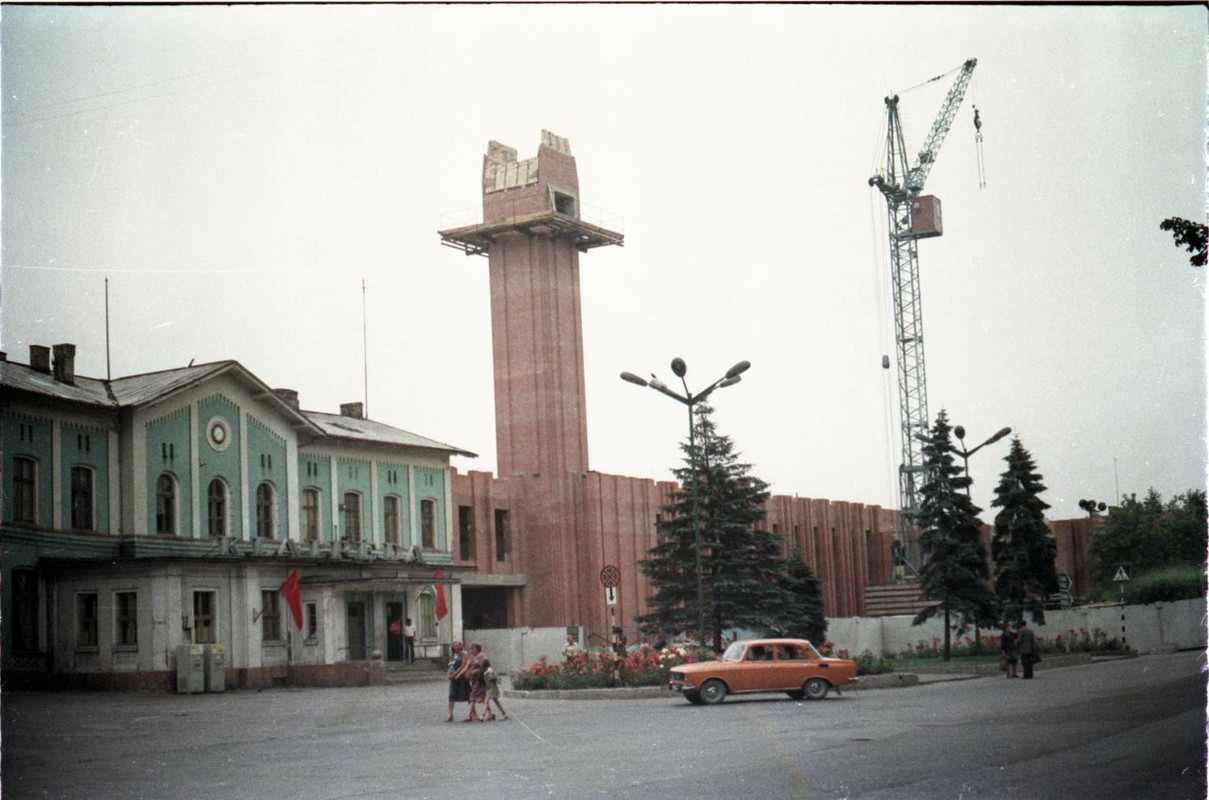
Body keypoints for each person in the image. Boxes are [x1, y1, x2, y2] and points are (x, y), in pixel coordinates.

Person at [445, 640, 470, 722]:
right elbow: (450, 665)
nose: (457, 647)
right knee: (451, 695)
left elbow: (463, 666)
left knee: (468, 695)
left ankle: (473, 712)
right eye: (455, 645)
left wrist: (455, 674)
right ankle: (450, 714)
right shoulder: (452, 655)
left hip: (461, 677)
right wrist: (448, 674)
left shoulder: (464, 654)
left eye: (458, 645)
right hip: (453, 678)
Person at [463, 642, 487, 722]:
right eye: (471, 648)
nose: (472, 650)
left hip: (479, 679)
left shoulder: (481, 656)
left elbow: (485, 667)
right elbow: (466, 667)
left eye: (473, 648)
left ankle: (469, 715)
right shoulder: (471, 657)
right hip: (472, 680)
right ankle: (491, 713)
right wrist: (466, 673)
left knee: (473, 695)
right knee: (483, 697)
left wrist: (476, 670)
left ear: (478, 649)